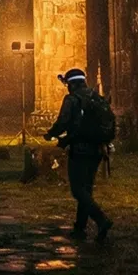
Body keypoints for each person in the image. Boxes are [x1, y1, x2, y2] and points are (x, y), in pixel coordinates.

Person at [41, 67, 114, 242]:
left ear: (71, 84)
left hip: (80, 149)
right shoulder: (96, 97)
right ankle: (80, 229)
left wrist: (51, 133)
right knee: (86, 189)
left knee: (77, 189)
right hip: (98, 150)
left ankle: (101, 220)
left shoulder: (72, 99)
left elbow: (63, 122)